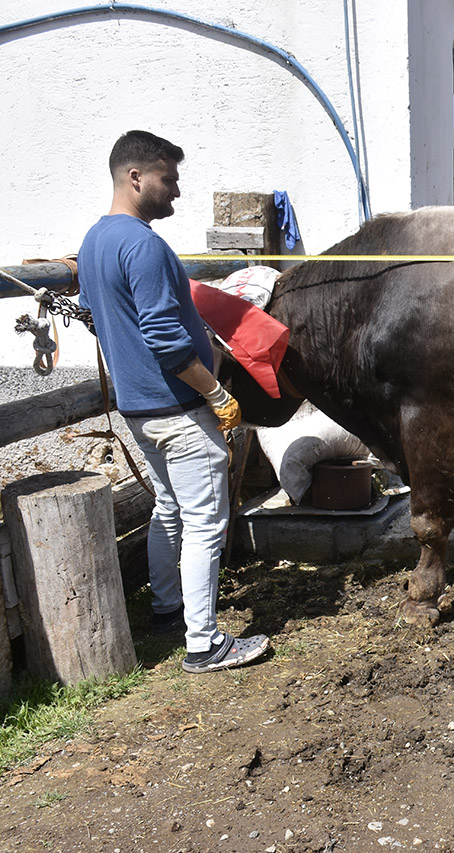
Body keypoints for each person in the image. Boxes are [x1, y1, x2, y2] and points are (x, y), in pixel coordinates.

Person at [78, 130, 270, 674]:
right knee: (207, 522)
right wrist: (215, 391)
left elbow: (99, 310)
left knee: (169, 510)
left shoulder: (95, 242)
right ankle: (204, 642)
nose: (177, 192)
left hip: (139, 408)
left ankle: (168, 611)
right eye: (170, 179)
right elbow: (164, 337)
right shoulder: (141, 244)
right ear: (136, 177)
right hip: (178, 408)